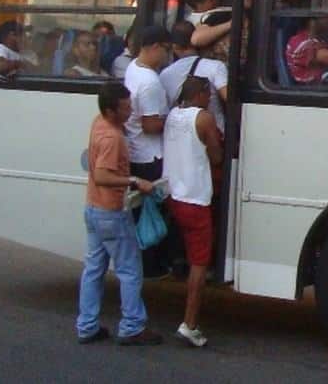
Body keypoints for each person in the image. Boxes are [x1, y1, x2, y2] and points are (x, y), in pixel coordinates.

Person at [76, 81, 162, 346]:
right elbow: (102, 175)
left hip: (92, 208)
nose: (131, 111)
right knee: (130, 270)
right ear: (112, 111)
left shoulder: (98, 123)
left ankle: (87, 325)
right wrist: (135, 182)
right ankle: (132, 325)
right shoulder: (113, 138)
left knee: (93, 269)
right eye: (126, 108)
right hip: (111, 212)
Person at [162, 76, 223, 348]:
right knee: (199, 264)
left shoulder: (173, 115)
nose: (210, 97)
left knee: (189, 257)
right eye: (207, 93)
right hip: (197, 199)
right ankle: (190, 323)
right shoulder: (204, 119)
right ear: (198, 94)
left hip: (175, 195)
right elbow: (217, 156)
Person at [123, 26, 173, 277]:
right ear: (154, 47)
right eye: (166, 49)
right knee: (152, 215)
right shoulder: (150, 82)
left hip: (136, 152)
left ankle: (145, 263)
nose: (167, 56)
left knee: (141, 213)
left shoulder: (133, 68)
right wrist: (175, 119)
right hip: (151, 155)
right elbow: (151, 125)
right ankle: (152, 266)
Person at [161, 21, 229, 132]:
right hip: (213, 134)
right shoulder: (215, 67)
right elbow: (229, 98)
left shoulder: (165, 74)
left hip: (179, 135)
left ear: (174, 47)